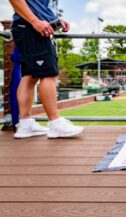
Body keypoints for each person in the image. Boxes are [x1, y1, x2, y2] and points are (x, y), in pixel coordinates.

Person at [9, 0, 84, 139]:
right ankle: (55, 124)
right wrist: (35, 21)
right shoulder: (33, 22)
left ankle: (26, 124)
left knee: (30, 75)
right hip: (33, 28)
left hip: (29, 27)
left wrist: (54, 20)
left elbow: (38, 5)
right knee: (49, 74)